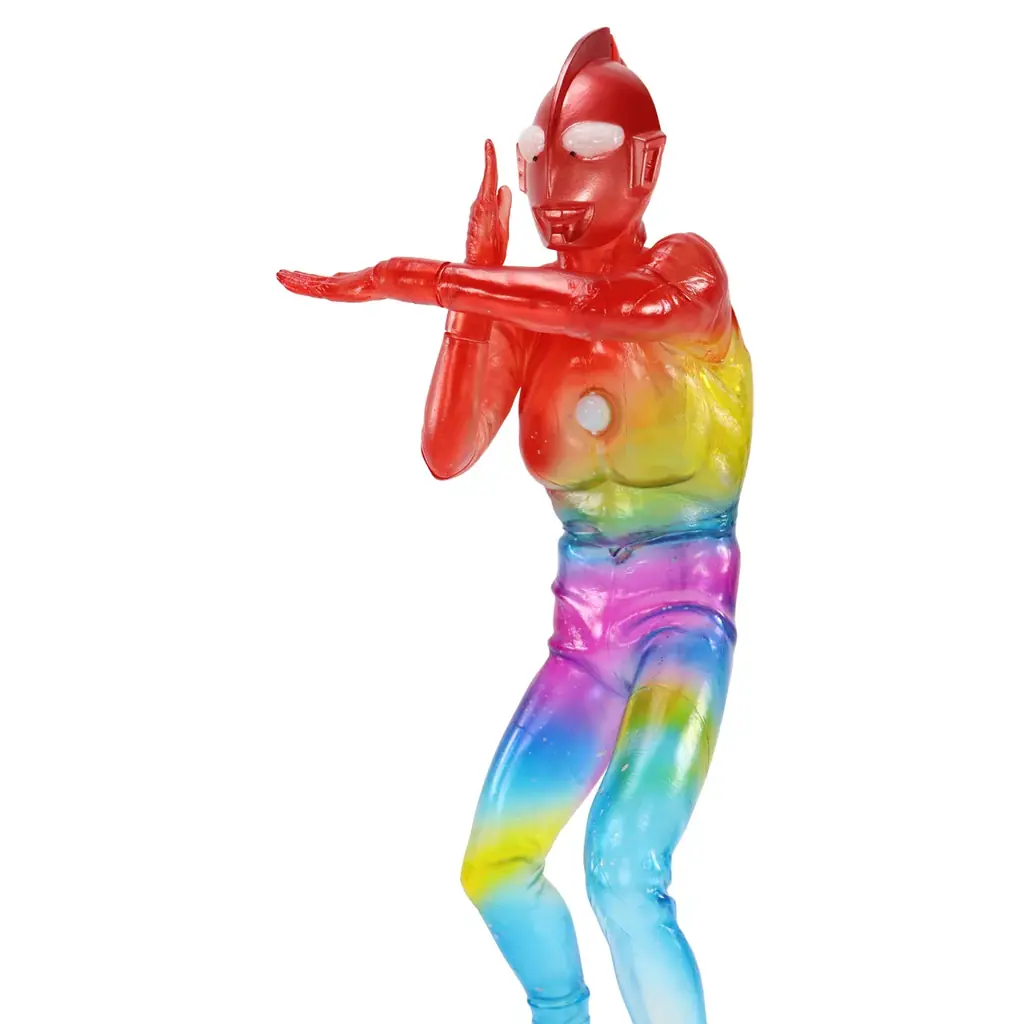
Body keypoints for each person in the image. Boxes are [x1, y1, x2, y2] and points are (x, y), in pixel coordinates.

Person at [278, 26, 752, 1024]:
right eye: (539, 160)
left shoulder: (687, 273)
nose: (553, 186)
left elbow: (608, 308)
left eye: (584, 153)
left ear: (645, 164)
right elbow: (447, 451)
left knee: (623, 868)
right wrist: (473, 286)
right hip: (583, 636)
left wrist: (424, 280)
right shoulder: (527, 308)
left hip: (682, 623)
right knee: (495, 865)